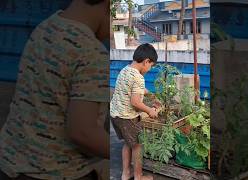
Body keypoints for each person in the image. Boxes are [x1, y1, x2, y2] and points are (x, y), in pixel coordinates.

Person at [0, 0, 109, 179]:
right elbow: (83, 133)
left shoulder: (45, 27)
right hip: (55, 172)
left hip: (11, 161)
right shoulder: (92, 53)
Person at [110, 43, 161, 180]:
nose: (149, 69)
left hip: (115, 115)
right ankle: (138, 176)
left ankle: (126, 174)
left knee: (128, 143)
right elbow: (136, 102)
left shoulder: (125, 70)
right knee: (137, 146)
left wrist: (152, 96)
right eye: (151, 65)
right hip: (127, 118)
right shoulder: (139, 77)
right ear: (146, 61)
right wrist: (150, 110)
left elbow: (137, 90)